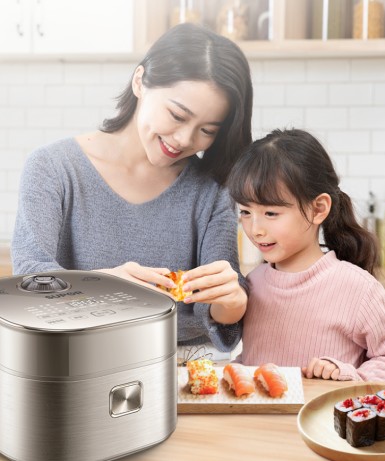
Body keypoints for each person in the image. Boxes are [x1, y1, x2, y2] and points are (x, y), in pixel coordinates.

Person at [11, 23, 253, 354]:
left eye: (207, 130)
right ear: (140, 81)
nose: (185, 139)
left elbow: (218, 309)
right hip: (77, 360)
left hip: (187, 367)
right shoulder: (53, 168)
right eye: (177, 115)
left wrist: (233, 299)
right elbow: (28, 283)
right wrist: (106, 285)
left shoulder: (211, 190)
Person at [227, 128, 385, 381]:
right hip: (260, 421)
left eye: (271, 213)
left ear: (318, 209)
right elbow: (254, 361)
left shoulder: (357, 288)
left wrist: (348, 375)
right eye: (245, 212)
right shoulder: (253, 284)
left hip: (321, 420)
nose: (255, 229)